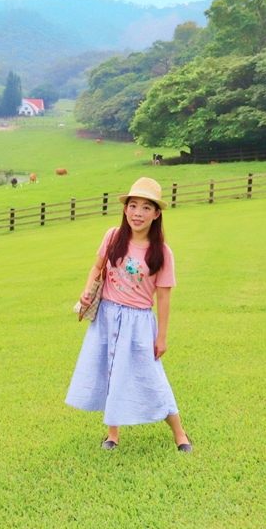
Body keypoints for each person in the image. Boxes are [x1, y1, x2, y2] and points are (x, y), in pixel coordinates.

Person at [65, 177, 192, 452]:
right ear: (125, 210)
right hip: (107, 317)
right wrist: (86, 292)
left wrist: (162, 337)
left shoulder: (162, 252)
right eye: (133, 206)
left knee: (152, 377)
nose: (137, 213)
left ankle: (180, 434)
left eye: (146, 208)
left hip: (139, 322)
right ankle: (113, 434)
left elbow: (164, 296)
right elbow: (96, 268)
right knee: (111, 372)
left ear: (157, 214)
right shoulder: (113, 237)